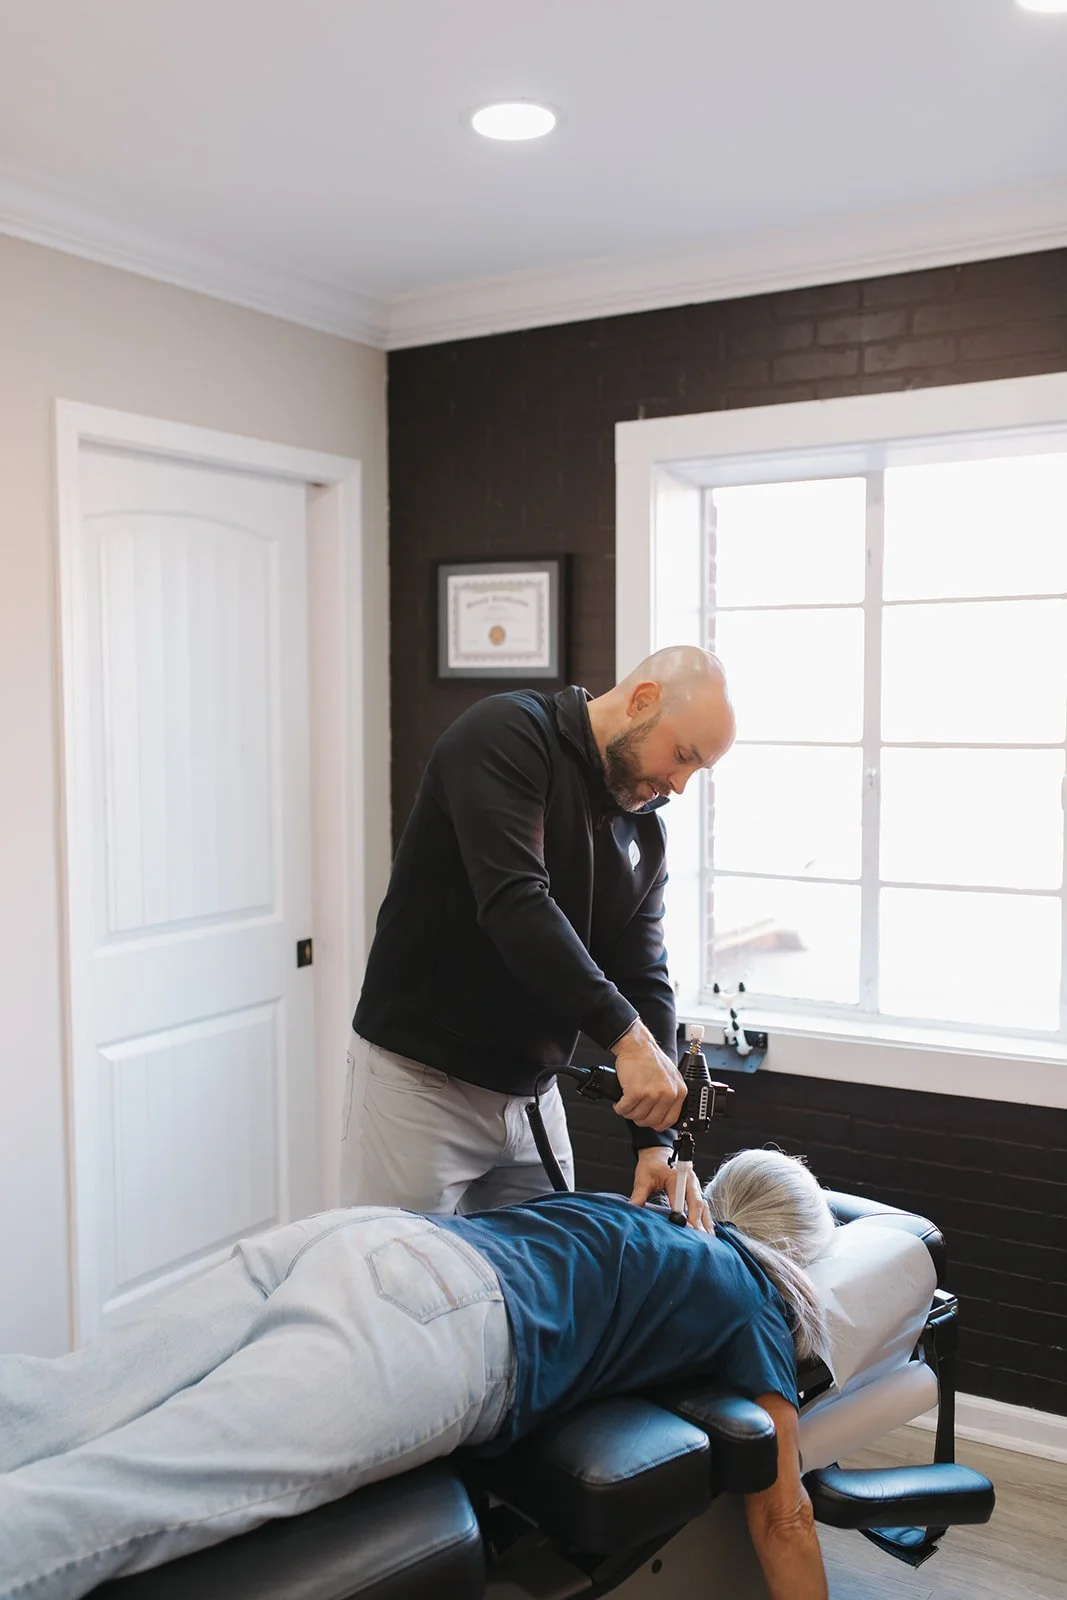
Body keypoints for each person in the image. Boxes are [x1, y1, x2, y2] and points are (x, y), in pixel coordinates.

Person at [0, 1150, 833, 1600]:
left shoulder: (631, 1215)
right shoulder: (753, 1294)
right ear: (791, 1256)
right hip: (435, 1321)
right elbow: (784, 1519)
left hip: (367, 1237)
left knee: (63, 1399)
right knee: (128, 1493)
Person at [342, 646, 736, 1226]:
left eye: (695, 771)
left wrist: (657, 1139)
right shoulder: (507, 736)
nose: (678, 785)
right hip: (420, 1085)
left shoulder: (644, 835)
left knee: (543, 1295)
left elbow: (643, 977)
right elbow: (516, 904)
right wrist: (628, 1041)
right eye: (680, 756)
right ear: (642, 701)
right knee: (386, 1289)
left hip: (532, 1099)